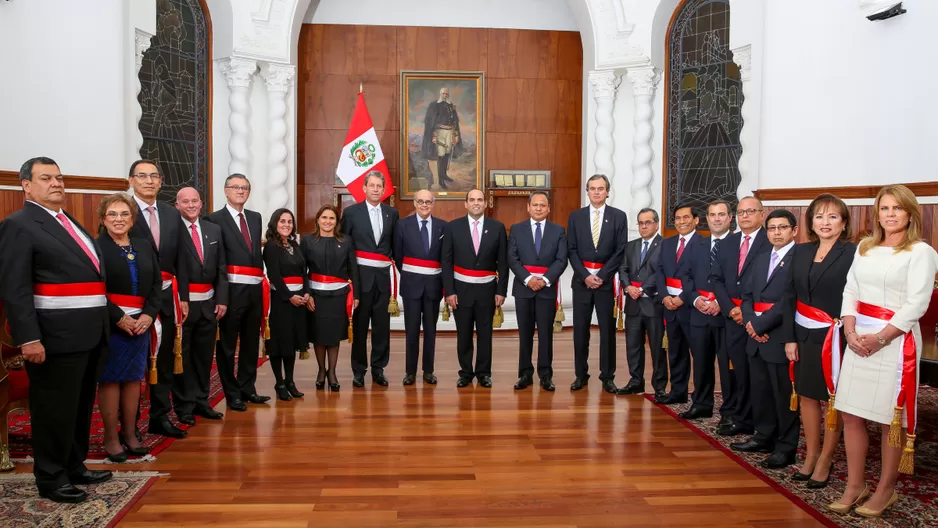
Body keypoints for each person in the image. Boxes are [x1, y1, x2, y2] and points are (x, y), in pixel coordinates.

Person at [0, 157, 112, 503]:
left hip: (88, 334)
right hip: (52, 338)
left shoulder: (69, 221)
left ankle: (74, 465)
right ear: (26, 185)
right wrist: (28, 338)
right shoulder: (19, 224)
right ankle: (50, 477)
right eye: (46, 178)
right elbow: (14, 287)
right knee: (53, 411)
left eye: (60, 178)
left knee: (79, 407)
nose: (57, 183)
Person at [828, 185, 938, 517]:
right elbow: (851, 290)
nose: (890, 214)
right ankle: (855, 485)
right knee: (851, 413)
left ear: (910, 213)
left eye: (897, 208)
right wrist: (849, 330)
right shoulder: (865, 247)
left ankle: (885, 490)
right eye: (884, 208)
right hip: (857, 337)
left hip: (894, 342)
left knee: (891, 419)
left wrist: (881, 338)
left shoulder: (921, 252)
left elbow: (916, 303)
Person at [780, 194, 855, 487]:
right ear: (811, 221)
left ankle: (826, 458)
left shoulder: (852, 253)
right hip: (802, 335)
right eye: (820, 216)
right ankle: (810, 455)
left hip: (835, 339)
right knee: (808, 397)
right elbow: (788, 297)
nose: (825, 223)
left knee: (831, 400)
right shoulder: (799, 251)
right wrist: (789, 338)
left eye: (833, 217)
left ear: (844, 222)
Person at [731, 209, 800, 470]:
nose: (777, 232)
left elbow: (789, 300)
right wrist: (750, 323)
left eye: (782, 228)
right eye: (772, 228)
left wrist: (760, 324)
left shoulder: (799, 258)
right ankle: (763, 436)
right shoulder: (760, 257)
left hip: (779, 333)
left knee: (783, 394)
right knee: (760, 390)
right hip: (755, 334)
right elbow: (746, 294)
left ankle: (786, 446)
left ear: (794, 231)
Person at [96, 193, 161, 462]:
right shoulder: (96, 247)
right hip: (112, 324)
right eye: (113, 214)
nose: (119, 219)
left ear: (133, 220)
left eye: (124, 214)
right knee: (111, 380)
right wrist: (119, 318)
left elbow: (157, 285)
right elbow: (95, 289)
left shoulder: (144, 246)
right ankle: (111, 438)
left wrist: (148, 315)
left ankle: (131, 434)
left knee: (134, 379)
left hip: (141, 325)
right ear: (103, 219)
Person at [128, 159, 189, 439]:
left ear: (161, 182)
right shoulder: (121, 211)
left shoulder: (171, 213)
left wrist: (184, 297)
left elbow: (182, 259)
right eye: (142, 176)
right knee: (134, 362)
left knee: (164, 359)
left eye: (154, 176)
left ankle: (159, 416)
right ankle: (129, 425)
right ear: (131, 181)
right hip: (135, 298)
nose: (149, 180)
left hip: (168, 296)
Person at [206, 174, 269, 410]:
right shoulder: (214, 219)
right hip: (230, 291)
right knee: (228, 345)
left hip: (254, 291)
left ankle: (247, 388)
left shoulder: (255, 218)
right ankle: (231, 393)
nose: (240, 191)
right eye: (235, 187)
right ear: (225, 190)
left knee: (251, 343)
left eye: (244, 188)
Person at [710, 197, 770, 436]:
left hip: (758, 319)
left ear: (762, 214)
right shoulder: (727, 243)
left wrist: (745, 313)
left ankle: (760, 420)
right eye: (741, 212)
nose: (745, 215)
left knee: (758, 373)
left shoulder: (771, 242)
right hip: (731, 317)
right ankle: (739, 415)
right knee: (737, 370)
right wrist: (729, 308)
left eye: (751, 211)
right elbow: (717, 279)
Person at [566, 174, 628, 393]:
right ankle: (580, 374)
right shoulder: (576, 217)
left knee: (607, 331)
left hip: (605, 282)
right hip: (582, 282)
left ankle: (607, 375)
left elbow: (620, 250)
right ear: (587, 191)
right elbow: (571, 250)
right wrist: (585, 275)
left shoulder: (619, 217)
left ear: (607, 191)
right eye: (592, 188)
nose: (596, 192)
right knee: (580, 330)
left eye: (601, 188)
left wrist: (601, 275)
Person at [442, 188, 509, 388]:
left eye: (480, 200)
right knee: (463, 333)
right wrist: (449, 291)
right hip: (460, 291)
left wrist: (501, 291)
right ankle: (465, 372)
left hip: (487, 290)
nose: (476, 203)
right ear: (466, 204)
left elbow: (503, 263)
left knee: (485, 333)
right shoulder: (452, 228)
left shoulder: (497, 227)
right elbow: (446, 262)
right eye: (472, 200)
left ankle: (483, 373)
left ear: (486, 203)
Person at [341, 170, 399, 388]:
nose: (375, 189)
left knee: (382, 327)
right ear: (364, 188)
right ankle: (358, 370)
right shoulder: (351, 213)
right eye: (372, 185)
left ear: (383, 190)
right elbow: (345, 246)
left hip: (383, 280)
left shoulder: (392, 213)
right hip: (360, 280)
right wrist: (347, 279)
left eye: (379, 186)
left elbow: (394, 247)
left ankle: (378, 368)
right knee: (359, 327)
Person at [175, 188, 227, 422]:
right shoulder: (172, 230)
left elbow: (221, 268)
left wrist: (222, 299)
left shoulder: (213, 229)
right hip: (183, 306)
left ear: (201, 202)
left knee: (204, 357)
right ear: (177, 205)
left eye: (194, 200)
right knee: (183, 358)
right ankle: (184, 406)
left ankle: (201, 401)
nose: (191, 205)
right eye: (185, 201)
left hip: (209, 304)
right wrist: (181, 298)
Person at [507, 191, 568, 391]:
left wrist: (545, 280)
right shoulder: (517, 229)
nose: (539, 208)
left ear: (548, 208)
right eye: (535, 205)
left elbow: (561, 260)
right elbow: (512, 258)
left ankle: (545, 375)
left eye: (543, 205)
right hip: (524, 289)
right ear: (528, 207)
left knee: (545, 334)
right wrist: (528, 279)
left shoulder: (558, 231)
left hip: (546, 290)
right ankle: (525, 374)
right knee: (524, 334)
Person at [677, 200, 732, 420]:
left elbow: (740, 279)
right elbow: (685, 275)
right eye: (712, 215)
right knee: (700, 361)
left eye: (721, 214)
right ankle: (701, 403)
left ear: (730, 218)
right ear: (706, 219)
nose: (716, 219)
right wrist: (696, 298)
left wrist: (722, 302)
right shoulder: (696, 244)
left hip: (725, 315)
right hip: (699, 313)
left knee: (728, 368)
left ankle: (731, 411)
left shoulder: (736, 244)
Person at [302, 205, 360, 391]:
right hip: (316, 295)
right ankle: (321, 371)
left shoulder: (346, 241)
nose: (328, 221)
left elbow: (353, 269)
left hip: (338, 295)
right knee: (319, 336)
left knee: (333, 336)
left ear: (337, 222)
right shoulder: (307, 241)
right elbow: (302, 271)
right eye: (324, 217)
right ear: (318, 219)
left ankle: (332, 372)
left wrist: (356, 295)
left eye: (332, 218)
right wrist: (307, 293)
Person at [393, 189, 446, 385]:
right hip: (411, 286)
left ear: (433, 204)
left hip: (433, 287)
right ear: (414, 203)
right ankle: (410, 372)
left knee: (431, 331)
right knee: (412, 330)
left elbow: (444, 258)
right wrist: (412, 274)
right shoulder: (402, 225)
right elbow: (398, 256)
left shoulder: (443, 227)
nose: (425, 205)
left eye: (428, 202)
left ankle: (428, 371)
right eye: (421, 201)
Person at [617, 207, 665, 398]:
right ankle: (636, 381)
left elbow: (661, 272)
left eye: (648, 222)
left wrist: (643, 288)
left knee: (657, 347)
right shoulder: (631, 246)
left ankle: (659, 386)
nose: (644, 226)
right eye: (641, 223)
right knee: (633, 345)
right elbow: (623, 269)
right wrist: (628, 287)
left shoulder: (665, 245)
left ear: (656, 224)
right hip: (633, 304)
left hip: (653, 304)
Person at [263, 208, 309, 400]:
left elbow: (304, 272)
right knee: (279, 343)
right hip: (281, 300)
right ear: (275, 223)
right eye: (282, 221)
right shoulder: (271, 247)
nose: (286, 225)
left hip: (299, 301)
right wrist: (290, 296)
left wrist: (306, 292)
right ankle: (279, 382)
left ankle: (290, 381)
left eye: (290, 222)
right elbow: (274, 276)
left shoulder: (294, 244)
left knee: (291, 343)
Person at [655, 204, 699, 405]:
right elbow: (660, 271)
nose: (682, 222)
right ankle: (677, 391)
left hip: (690, 307)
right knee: (675, 352)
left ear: (696, 220)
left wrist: (682, 298)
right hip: (669, 306)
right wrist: (664, 296)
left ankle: (700, 397)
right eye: (678, 218)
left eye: (686, 217)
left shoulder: (703, 244)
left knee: (698, 354)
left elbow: (700, 278)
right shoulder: (667, 243)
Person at [420, 87, 461, 188]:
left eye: (446, 94)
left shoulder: (451, 106)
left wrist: (455, 135)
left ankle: (444, 175)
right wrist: (433, 135)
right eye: (443, 94)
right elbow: (430, 121)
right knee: (441, 155)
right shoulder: (434, 105)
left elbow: (455, 121)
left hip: (449, 133)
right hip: (439, 133)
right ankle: (441, 180)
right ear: (440, 94)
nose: (444, 96)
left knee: (447, 154)